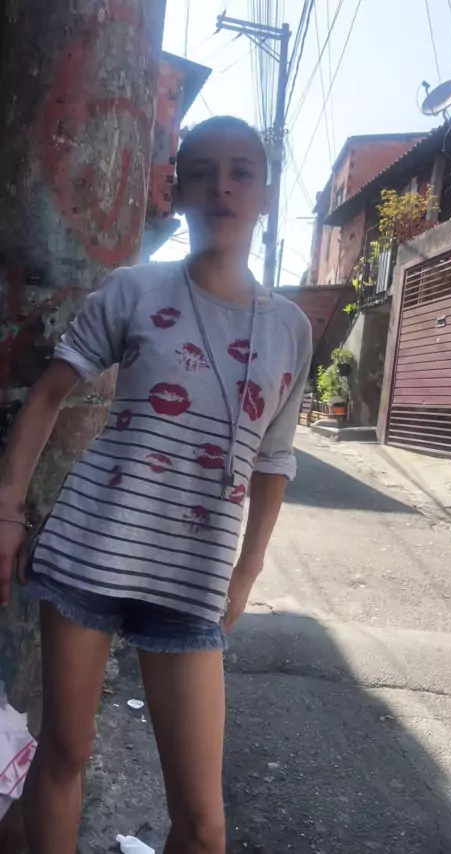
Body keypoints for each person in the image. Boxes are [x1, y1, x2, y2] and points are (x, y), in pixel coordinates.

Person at [0, 115, 312, 854]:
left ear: (265, 194)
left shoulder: (290, 330)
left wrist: (248, 571)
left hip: (193, 576)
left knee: (204, 826)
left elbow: (275, 460)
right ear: (177, 190)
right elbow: (48, 395)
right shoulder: (134, 290)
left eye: (240, 172)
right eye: (202, 171)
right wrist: (7, 512)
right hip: (90, 552)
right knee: (66, 752)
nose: (222, 186)